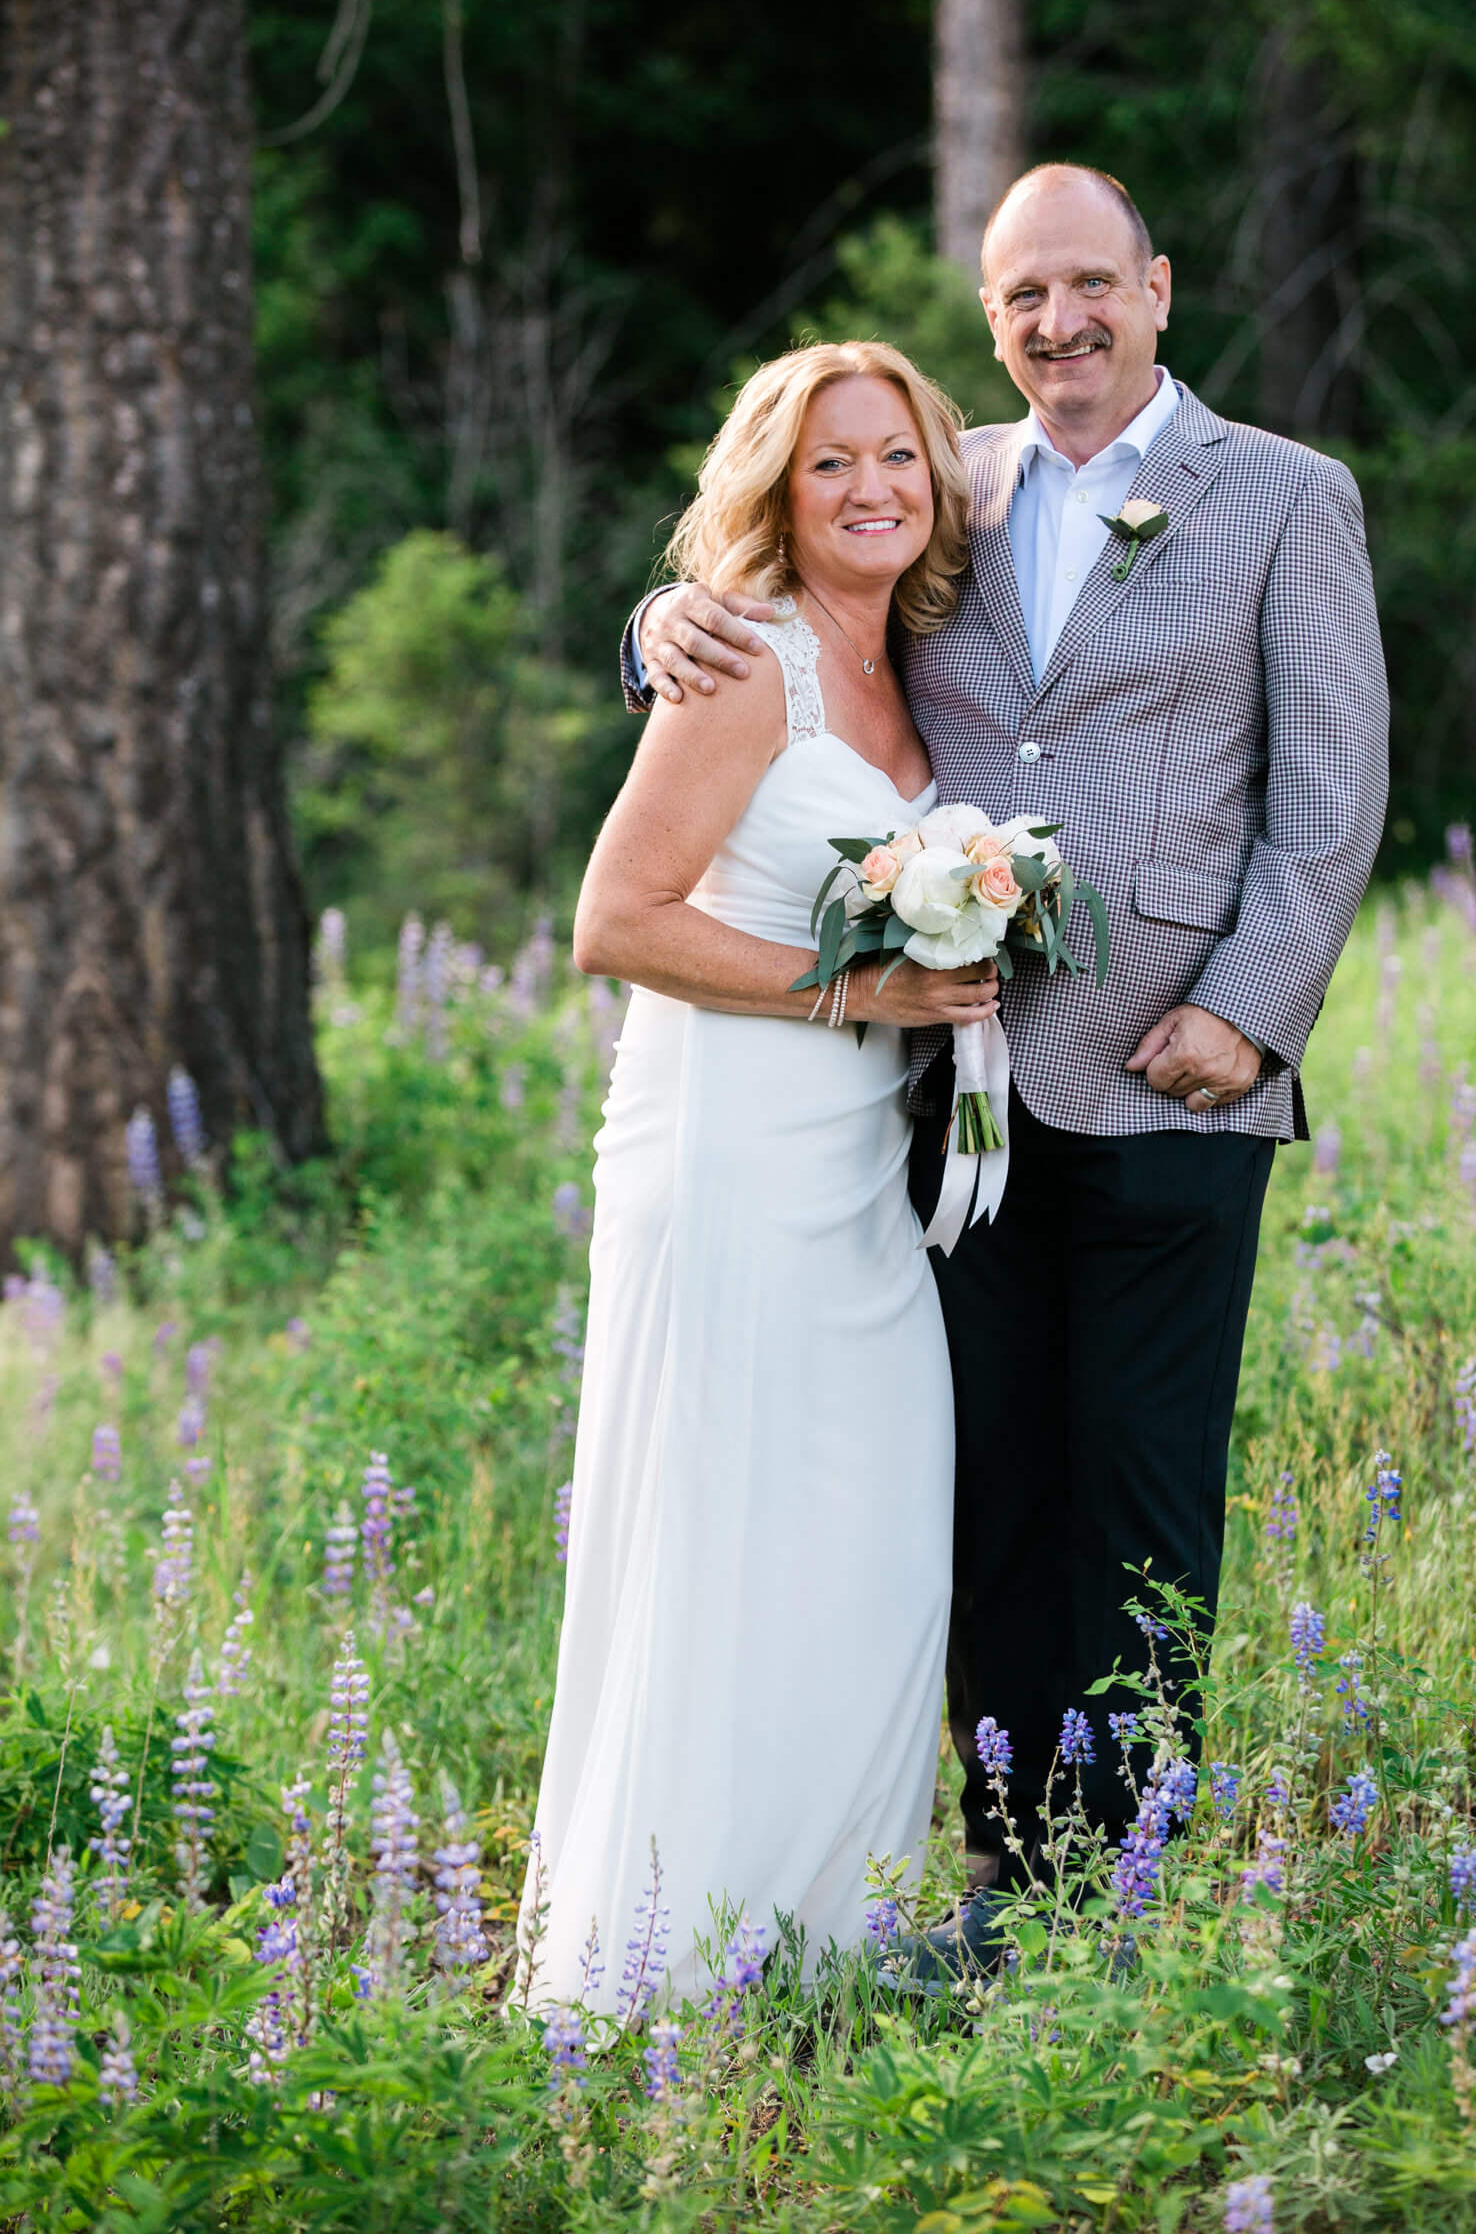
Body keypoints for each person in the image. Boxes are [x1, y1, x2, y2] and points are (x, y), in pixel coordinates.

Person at [628, 162, 1389, 1961]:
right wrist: (652, 627)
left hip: (1170, 1082)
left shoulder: (1284, 498)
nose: (1060, 322)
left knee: (1136, 1490)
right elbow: (775, 607)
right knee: (980, 1492)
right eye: (1021, 297)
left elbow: (1332, 791)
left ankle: (1119, 1889)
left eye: (1088, 284)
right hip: (951, 1096)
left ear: (1158, 286)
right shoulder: (936, 480)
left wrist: (1249, 1007)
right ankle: (1004, 1874)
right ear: (990, 323)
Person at [517, 339, 1001, 2010]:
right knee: (725, 1542)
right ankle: (667, 1970)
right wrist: (859, 989)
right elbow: (617, 922)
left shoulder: (916, 651)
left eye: (896, 458)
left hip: (859, 1171)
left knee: (869, 1548)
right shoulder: (745, 656)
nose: (870, 489)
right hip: (727, 1150)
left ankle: (825, 1948)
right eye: (826, 466)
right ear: (771, 496)